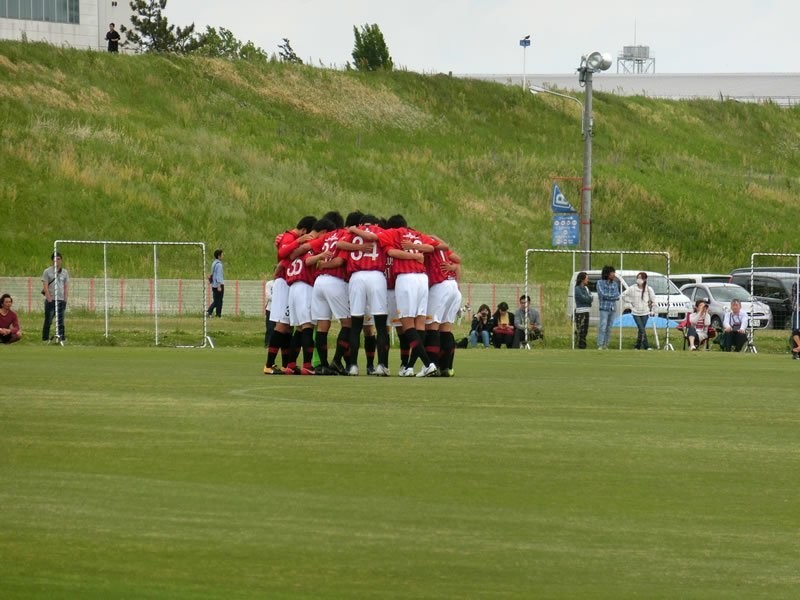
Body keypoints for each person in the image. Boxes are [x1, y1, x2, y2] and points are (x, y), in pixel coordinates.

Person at [620, 271, 656, 350]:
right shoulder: (632, 288)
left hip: (645, 312)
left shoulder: (648, 289)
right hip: (635, 312)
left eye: (641, 278)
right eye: (638, 278)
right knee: (642, 328)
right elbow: (623, 295)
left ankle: (637, 346)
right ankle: (646, 346)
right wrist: (630, 302)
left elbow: (653, 301)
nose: (639, 279)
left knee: (641, 330)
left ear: (645, 279)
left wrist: (652, 309)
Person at [42, 251, 69, 343]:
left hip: (61, 299)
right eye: (55, 259)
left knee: (61, 320)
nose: (57, 261)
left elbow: (65, 286)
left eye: (59, 259)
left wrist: (65, 299)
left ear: (61, 260)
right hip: (51, 299)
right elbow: (45, 286)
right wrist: (49, 298)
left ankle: (62, 337)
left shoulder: (64, 272)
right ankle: (45, 338)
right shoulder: (47, 271)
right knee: (48, 320)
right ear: (52, 260)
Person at [596, 265, 620, 349]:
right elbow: (601, 294)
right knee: (603, 326)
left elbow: (617, 296)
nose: (613, 274)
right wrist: (611, 296)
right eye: (612, 273)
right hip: (604, 308)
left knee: (609, 327)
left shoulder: (615, 284)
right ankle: (600, 344)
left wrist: (609, 296)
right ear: (607, 274)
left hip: (612, 308)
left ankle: (606, 345)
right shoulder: (600, 283)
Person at [574, 271, 592, 349]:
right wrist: (588, 298)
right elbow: (583, 298)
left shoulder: (586, 288)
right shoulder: (577, 289)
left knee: (585, 330)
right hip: (580, 311)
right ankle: (580, 345)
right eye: (587, 278)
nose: (588, 280)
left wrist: (588, 298)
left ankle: (583, 344)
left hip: (587, 311)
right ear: (582, 279)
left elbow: (591, 298)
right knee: (580, 329)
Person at [207, 249, 225, 318]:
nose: (223, 256)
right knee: (219, 301)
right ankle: (212, 312)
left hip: (214, 285)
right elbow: (219, 276)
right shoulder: (219, 265)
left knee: (217, 300)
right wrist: (219, 285)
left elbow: (212, 274)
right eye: (222, 255)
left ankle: (215, 314)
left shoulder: (214, 263)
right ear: (219, 256)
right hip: (218, 285)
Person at [264, 277, 274, 347]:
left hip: (281, 310)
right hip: (270, 309)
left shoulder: (284, 283)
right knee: (270, 327)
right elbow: (268, 296)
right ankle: (268, 343)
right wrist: (279, 298)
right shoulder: (269, 283)